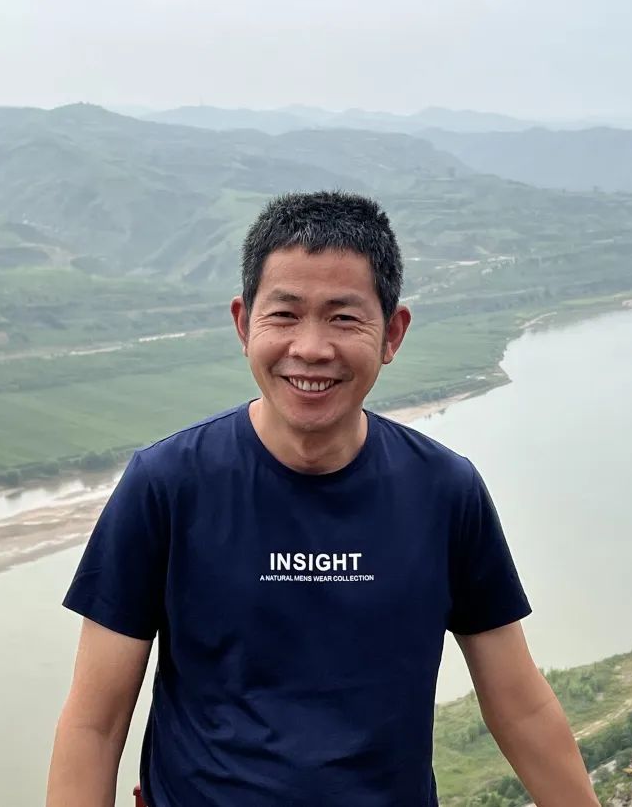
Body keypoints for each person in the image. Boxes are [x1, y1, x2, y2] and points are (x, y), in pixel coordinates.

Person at [46, 191, 597, 806]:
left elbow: (519, 706)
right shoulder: (167, 485)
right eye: (284, 314)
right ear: (243, 323)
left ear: (392, 333)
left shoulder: (444, 491)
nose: (310, 348)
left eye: (343, 318)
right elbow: (94, 724)